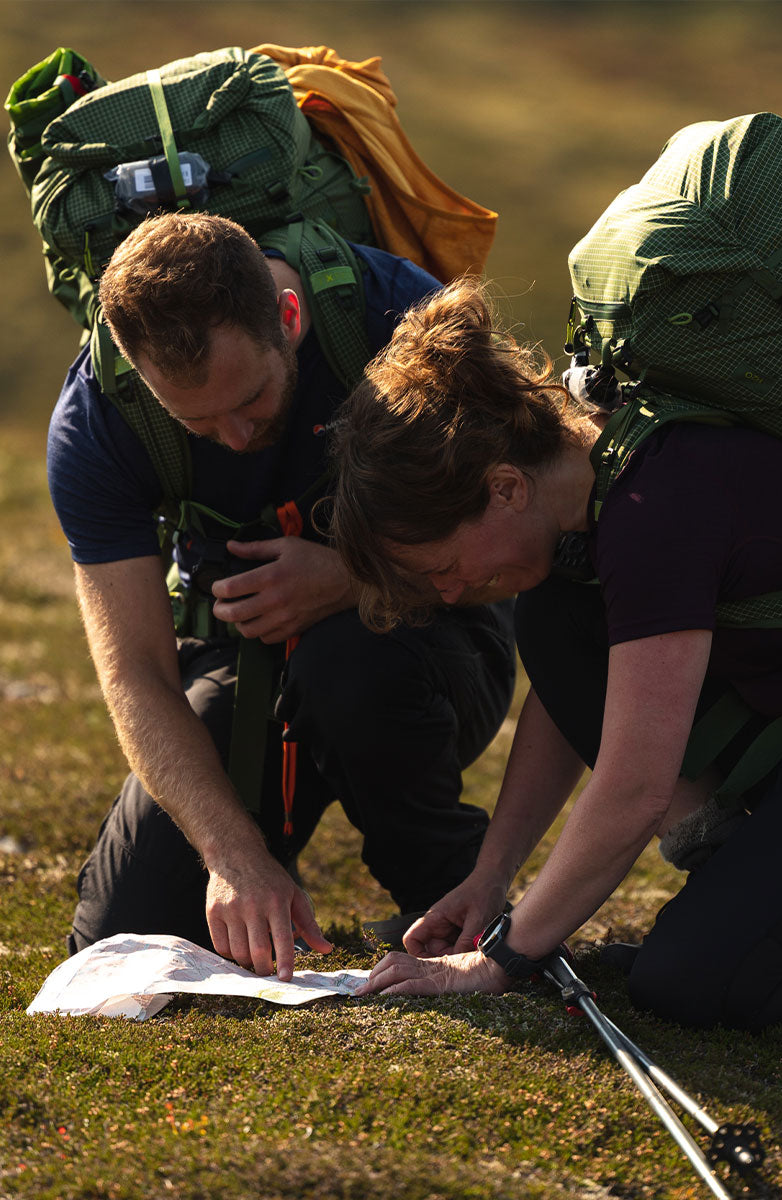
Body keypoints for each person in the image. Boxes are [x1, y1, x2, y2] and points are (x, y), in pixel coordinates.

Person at [329, 278, 782, 1028]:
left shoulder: (657, 508)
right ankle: (750, 902)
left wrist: (497, 961)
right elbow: (570, 693)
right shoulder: (606, 467)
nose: (453, 593)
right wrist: (490, 878)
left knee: (698, 981)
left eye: (443, 566)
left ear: (503, 489)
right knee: (558, 620)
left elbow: (635, 790)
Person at [46, 213, 516, 982]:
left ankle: (452, 899)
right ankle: (263, 862)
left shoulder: (398, 319)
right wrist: (233, 856)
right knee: (123, 933)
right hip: (245, 662)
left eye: (252, 400)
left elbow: (519, 535)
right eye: (195, 422)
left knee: (348, 662)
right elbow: (136, 675)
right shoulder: (100, 419)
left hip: (431, 637)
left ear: (288, 320)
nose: (233, 436)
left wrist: (350, 577)